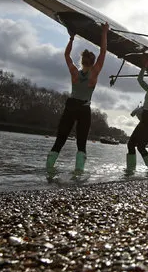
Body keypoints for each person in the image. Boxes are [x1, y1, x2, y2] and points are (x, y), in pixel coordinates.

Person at [46, 22, 109, 175]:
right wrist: (104, 32)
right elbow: (103, 52)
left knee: (60, 140)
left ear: (82, 61)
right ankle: (78, 173)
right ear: (93, 62)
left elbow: (67, 55)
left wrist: (71, 38)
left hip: (71, 106)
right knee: (81, 143)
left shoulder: (74, 72)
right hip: (84, 108)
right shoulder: (94, 73)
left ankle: (48, 171)